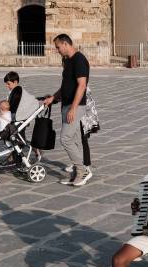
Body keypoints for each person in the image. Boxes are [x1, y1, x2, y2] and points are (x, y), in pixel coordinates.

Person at [43, 34, 93, 187]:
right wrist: (54, 98)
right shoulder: (68, 61)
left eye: (58, 47)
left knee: (65, 139)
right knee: (75, 140)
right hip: (66, 105)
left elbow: (82, 85)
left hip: (75, 106)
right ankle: (76, 173)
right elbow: (66, 86)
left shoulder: (79, 60)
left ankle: (82, 170)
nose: (57, 50)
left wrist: (73, 108)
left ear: (65, 44)